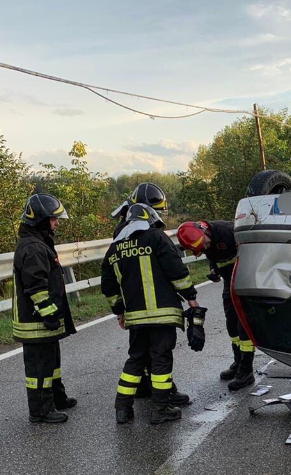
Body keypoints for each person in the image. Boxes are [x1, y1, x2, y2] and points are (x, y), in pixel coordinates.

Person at [102, 203, 203, 425]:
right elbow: (176, 270)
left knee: (136, 360)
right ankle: (160, 408)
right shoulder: (156, 238)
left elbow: (108, 287)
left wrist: (120, 312)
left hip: (135, 319)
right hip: (162, 315)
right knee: (160, 360)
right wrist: (191, 297)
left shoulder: (115, 247)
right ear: (149, 219)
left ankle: (123, 409)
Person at [12, 193, 78, 424]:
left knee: (51, 363)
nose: (56, 223)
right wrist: (49, 314)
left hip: (41, 320)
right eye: (53, 219)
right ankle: (40, 411)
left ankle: (56, 398)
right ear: (40, 219)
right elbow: (36, 287)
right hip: (35, 322)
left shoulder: (38, 243)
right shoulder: (33, 248)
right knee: (39, 368)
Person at [109, 182, 172, 402]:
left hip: (134, 306)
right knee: (157, 353)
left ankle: (142, 393)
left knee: (140, 353)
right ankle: (162, 395)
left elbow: (111, 275)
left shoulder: (122, 230)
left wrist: (119, 308)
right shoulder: (140, 231)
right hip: (150, 305)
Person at [176, 220, 255, 391]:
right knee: (231, 322)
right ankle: (238, 361)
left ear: (204, 231)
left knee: (244, 324)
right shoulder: (203, 239)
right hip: (229, 281)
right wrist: (214, 269)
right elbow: (214, 256)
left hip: (245, 279)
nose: (207, 246)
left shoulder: (228, 232)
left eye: (205, 244)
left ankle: (247, 370)